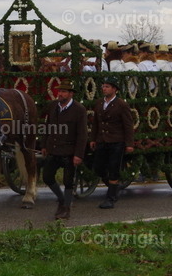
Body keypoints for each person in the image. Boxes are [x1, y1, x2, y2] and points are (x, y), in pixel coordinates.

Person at [41, 83, 88, 219]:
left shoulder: (79, 109)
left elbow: (82, 134)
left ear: (71, 94)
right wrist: (44, 145)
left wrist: (78, 154)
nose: (60, 94)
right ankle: (62, 200)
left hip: (69, 151)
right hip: (53, 148)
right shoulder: (53, 106)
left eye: (63, 92)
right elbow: (47, 126)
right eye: (59, 91)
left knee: (68, 181)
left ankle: (66, 209)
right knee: (47, 177)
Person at [90, 78, 134, 209]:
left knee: (114, 168)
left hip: (116, 141)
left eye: (107, 87)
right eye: (103, 86)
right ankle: (114, 187)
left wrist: (129, 143)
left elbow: (128, 125)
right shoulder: (99, 103)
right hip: (102, 140)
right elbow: (96, 123)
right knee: (98, 167)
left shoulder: (121, 104)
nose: (104, 89)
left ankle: (111, 198)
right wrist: (93, 138)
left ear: (114, 89)